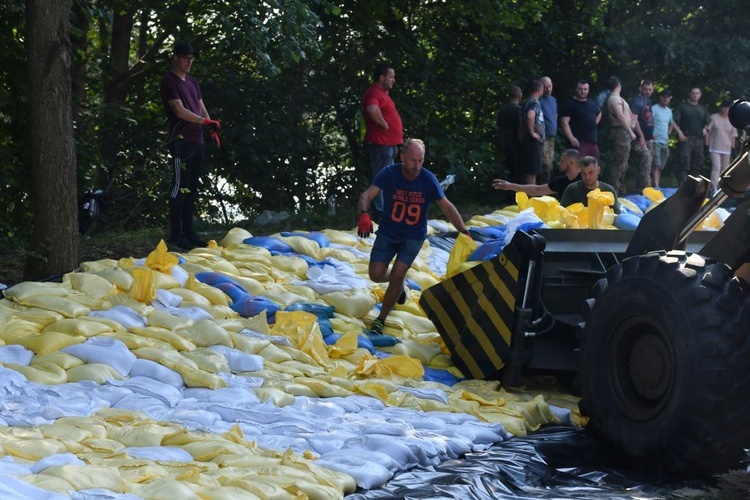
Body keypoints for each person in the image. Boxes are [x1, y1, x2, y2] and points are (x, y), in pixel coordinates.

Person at [356, 138, 469, 335]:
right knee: (375, 274)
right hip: (389, 232)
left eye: (421, 160)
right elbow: (366, 196)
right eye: (413, 160)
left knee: (399, 273)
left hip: (413, 236)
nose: (417, 165)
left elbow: (447, 207)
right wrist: (364, 214)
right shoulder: (389, 173)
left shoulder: (427, 179)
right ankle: (398, 287)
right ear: (402, 157)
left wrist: (464, 231)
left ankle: (380, 319)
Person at [160, 41, 221, 250]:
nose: (189, 62)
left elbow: (200, 107)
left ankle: (189, 231)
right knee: (179, 186)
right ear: (175, 58)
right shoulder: (169, 81)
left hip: (197, 140)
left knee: (192, 187)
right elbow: (179, 110)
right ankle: (176, 234)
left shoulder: (193, 82)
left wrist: (210, 124)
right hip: (180, 141)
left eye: (191, 59)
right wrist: (204, 122)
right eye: (185, 58)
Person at [362, 63, 404, 223]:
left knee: (388, 179)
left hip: (388, 145)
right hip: (381, 145)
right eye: (391, 77)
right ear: (382, 77)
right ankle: (380, 214)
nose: (393, 80)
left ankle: (386, 211)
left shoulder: (383, 93)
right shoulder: (375, 92)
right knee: (380, 179)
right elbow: (372, 109)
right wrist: (384, 124)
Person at [492, 148, 581, 199]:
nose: (558, 164)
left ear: (571, 163)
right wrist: (510, 186)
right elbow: (536, 190)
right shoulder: (561, 182)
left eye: (562, 161)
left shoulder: (585, 179)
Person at [604, 76, 638, 196]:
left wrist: (633, 125)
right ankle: (613, 190)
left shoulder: (619, 99)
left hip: (624, 133)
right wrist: (630, 131)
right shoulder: (614, 99)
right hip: (620, 132)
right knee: (618, 163)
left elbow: (629, 116)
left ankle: (620, 189)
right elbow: (620, 116)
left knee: (624, 163)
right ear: (618, 85)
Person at [674, 86, 711, 185]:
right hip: (686, 139)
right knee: (684, 163)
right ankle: (681, 185)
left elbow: (710, 122)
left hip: (699, 140)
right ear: (690, 94)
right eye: (693, 93)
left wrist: (706, 129)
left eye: (697, 93)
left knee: (697, 164)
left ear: (700, 95)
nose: (695, 95)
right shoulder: (682, 107)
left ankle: (693, 186)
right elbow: (673, 121)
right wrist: (679, 133)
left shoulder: (702, 109)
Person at [559, 79, 602, 160]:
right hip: (577, 143)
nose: (583, 91)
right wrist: (571, 138)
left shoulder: (592, 103)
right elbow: (564, 122)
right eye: (580, 89)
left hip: (592, 141)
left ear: (588, 90)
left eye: (585, 89)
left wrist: (594, 123)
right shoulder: (569, 104)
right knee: (577, 168)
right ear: (576, 89)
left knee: (594, 167)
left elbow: (599, 113)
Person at [651, 89, 682, 188]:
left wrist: (668, 133)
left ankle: (657, 184)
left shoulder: (669, 111)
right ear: (660, 97)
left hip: (665, 141)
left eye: (668, 97)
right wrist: (650, 133)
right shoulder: (654, 108)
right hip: (655, 141)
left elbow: (671, 123)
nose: (665, 99)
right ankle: (656, 185)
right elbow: (648, 121)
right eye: (664, 96)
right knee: (656, 164)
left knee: (661, 166)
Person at [706, 99, 738, 195]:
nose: (725, 109)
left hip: (727, 148)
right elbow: (707, 131)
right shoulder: (714, 118)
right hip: (714, 147)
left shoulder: (732, 119)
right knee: (716, 167)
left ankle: (722, 189)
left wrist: (733, 148)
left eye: (727, 108)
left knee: (725, 169)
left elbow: (733, 136)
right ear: (721, 107)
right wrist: (706, 144)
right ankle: (714, 188)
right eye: (724, 107)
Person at [629, 79, 655, 192]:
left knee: (647, 164)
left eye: (650, 89)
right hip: (638, 138)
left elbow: (648, 119)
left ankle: (641, 189)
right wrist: (641, 135)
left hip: (649, 139)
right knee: (646, 158)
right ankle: (646, 189)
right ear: (640, 89)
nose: (647, 92)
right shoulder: (636, 101)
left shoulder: (649, 102)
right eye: (645, 89)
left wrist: (650, 135)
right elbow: (634, 119)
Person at [495, 85, 523, 185]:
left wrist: (501, 141)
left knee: (510, 169)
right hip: (516, 144)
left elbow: (499, 128)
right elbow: (520, 128)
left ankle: (507, 193)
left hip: (506, 143)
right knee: (518, 170)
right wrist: (522, 142)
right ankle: (514, 193)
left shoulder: (502, 110)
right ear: (519, 96)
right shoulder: (519, 110)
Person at [520, 80, 545, 185]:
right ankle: (530, 199)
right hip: (533, 141)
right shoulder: (534, 102)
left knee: (528, 170)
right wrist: (532, 133)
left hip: (526, 139)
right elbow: (531, 116)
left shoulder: (525, 102)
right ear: (540, 90)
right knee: (533, 171)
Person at [539, 76, 558, 184]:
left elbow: (555, 115)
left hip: (552, 137)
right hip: (544, 137)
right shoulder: (539, 100)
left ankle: (548, 189)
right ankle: (543, 190)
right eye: (545, 87)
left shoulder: (553, 100)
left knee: (550, 165)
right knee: (544, 164)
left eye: (550, 86)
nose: (548, 89)